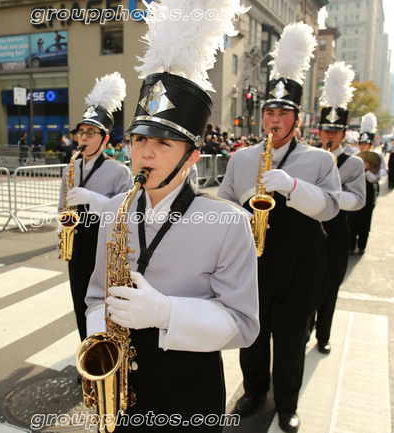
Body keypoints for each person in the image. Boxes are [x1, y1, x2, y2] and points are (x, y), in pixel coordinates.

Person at [83, 3, 258, 431]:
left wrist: (165, 313)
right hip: (122, 383)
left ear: (192, 156)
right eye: (139, 138)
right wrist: (99, 334)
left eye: (163, 143)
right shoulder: (112, 212)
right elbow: (94, 296)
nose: (145, 152)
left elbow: (243, 325)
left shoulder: (228, 222)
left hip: (189, 391)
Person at [218, 22, 341, 433]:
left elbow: (330, 210)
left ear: (296, 117)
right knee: (251, 334)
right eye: (269, 111)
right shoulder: (240, 158)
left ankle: (287, 403)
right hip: (253, 259)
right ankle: (253, 391)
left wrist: (291, 185)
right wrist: (238, 210)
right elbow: (223, 201)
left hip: (301, 262)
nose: (274, 119)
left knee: (290, 341)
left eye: (282, 113)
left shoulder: (319, 160)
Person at [58, 72, 132, 342]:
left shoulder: (118, 171)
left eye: (91, 133)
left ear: (105, 138)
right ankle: (85, 347)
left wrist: (92, 198)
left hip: (103, 242)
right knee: (79, 300)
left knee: (103, 302)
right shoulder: (72, 166)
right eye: (81, 132)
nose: (84, 138)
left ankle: (106, 348)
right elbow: (61, 205)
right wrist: (60, 227)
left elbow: (126, 213)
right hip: (76, 240)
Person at [312, 62, 365, 355]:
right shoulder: (310, 157)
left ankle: (324, 334)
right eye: (326, 129)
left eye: (335, 130)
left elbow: (358, 200)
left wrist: (327, 196)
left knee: (331, 285)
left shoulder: (354, 163)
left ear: (344, 134)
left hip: (336, 229)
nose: (329, 135)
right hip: (310, 227)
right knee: (308, 282)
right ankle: (306, 326)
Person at [349, 113, 387, 254]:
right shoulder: (354, 156)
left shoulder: (378, 157)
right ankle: (351, 245)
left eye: (366, 144)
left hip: (369, 190)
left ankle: (362, 246)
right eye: (361, 143)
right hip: (354, 189)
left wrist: (367, 172)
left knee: (365, 220)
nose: (363, 146)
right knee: (352, 220)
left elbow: (381, 173)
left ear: (371, 144)